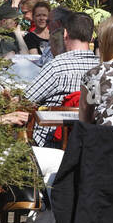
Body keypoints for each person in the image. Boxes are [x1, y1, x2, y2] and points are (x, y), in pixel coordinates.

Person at [24, 12, 99, 145]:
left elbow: (26, 99)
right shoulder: (102, 68)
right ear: (92, 38)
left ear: (65, 34)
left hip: (51, 143)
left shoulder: (57, 67)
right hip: (88, 142)